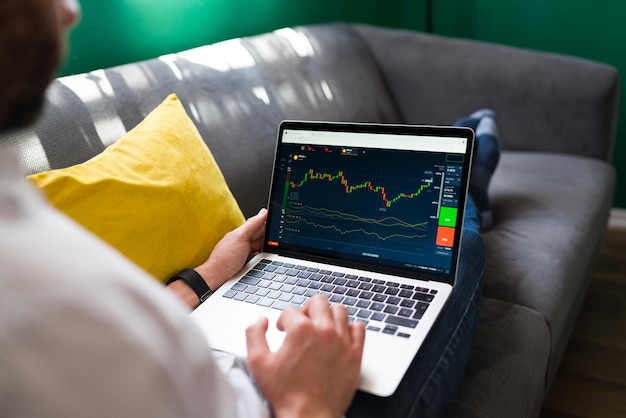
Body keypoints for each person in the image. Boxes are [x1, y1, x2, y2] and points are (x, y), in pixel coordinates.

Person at [0, 1, 499, 417]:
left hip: (243, 355)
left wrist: (208, 274)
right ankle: (471, 179)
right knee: (464, 248)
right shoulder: (29, 284)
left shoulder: (25, 222)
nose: (70, 9)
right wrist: (309, 403)